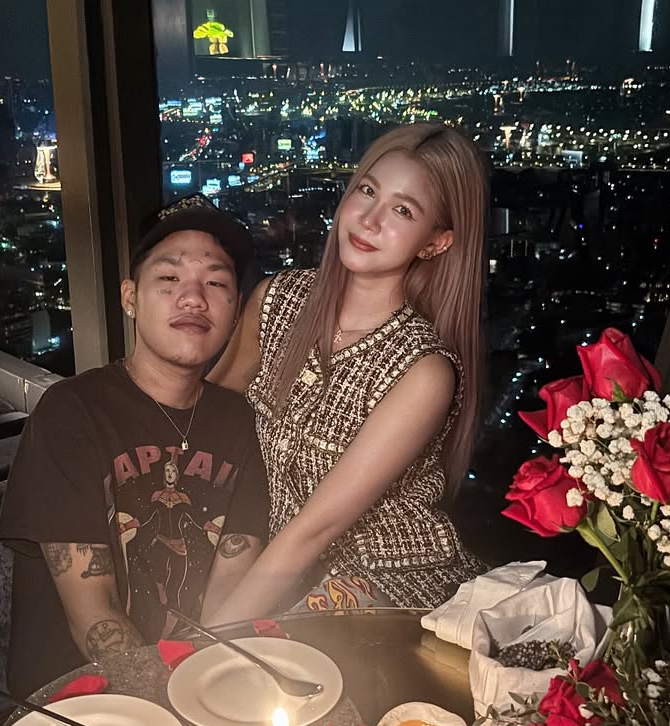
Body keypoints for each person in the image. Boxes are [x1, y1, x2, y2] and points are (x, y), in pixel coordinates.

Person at [207, 122, 487, 622]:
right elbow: (207, 420)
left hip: (384, 583)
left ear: (436, 242)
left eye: (403, 210)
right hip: (272, 561)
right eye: (367, 191)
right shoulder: (277, 300)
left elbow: (313, 530)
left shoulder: (423, 371)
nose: (370, 219)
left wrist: (209, 639)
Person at [0, 196, 269, 696]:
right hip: (77, 704)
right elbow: (94, 613)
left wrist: (205, 692)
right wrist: (166, 699)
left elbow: (230, 587)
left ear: (236, 310)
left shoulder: (241, 422)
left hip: (194, 687)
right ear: (130, 298)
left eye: (216, 283)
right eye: (169, 278)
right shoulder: (71, 412)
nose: (193, 298)